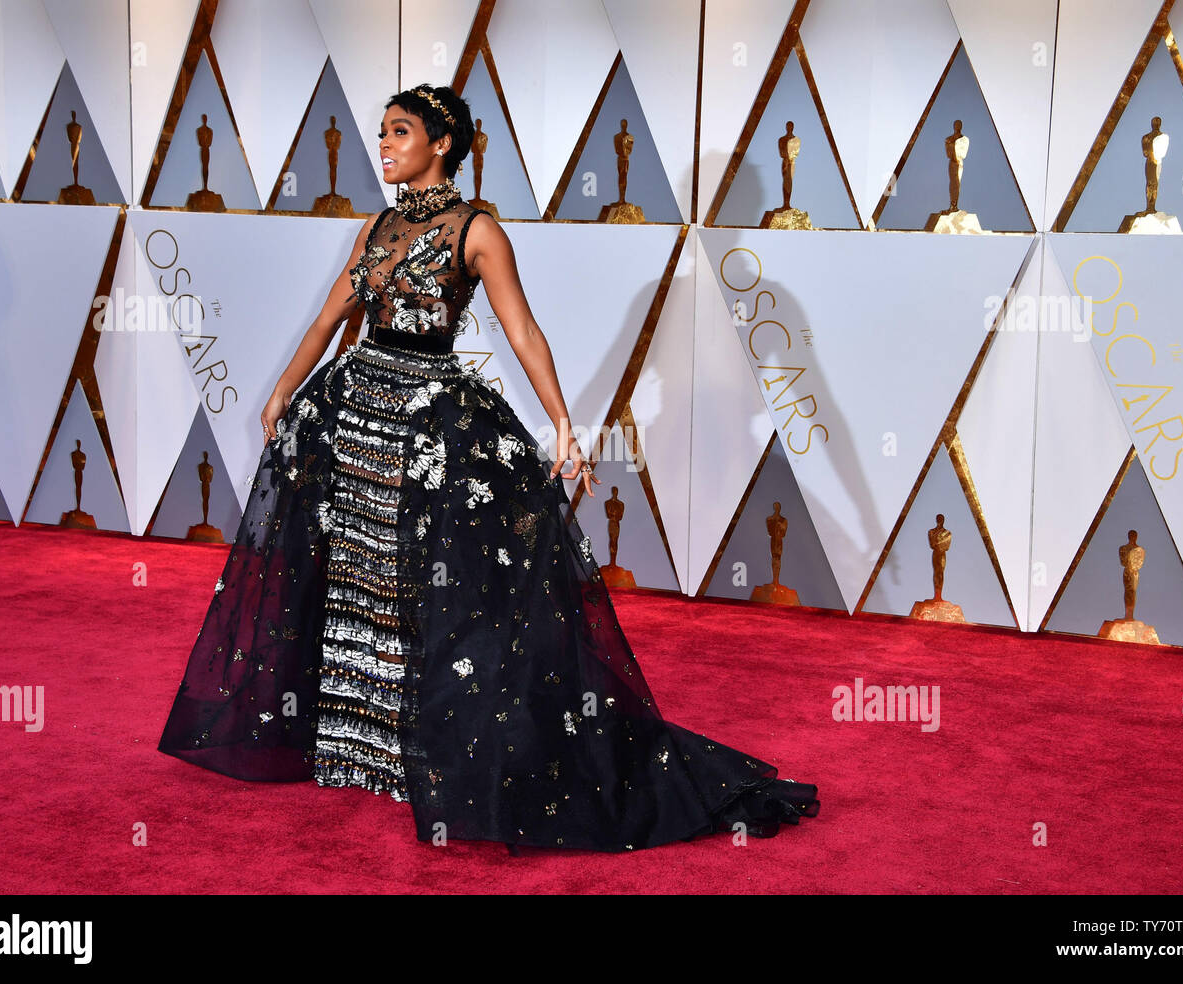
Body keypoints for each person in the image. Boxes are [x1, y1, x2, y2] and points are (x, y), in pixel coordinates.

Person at [157, 83, 820, 853]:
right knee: (354, 579)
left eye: (399, 132)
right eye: (382, 133)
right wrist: (281, 389)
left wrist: (567, 428)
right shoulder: (376, 225)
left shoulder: (478, 231)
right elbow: (330, 318)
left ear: (441, 142)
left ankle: (419, 753)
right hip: (354, 414)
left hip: (427, 425)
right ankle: (351, 743)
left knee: (424, 584)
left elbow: (524, 331)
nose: (385, 145)